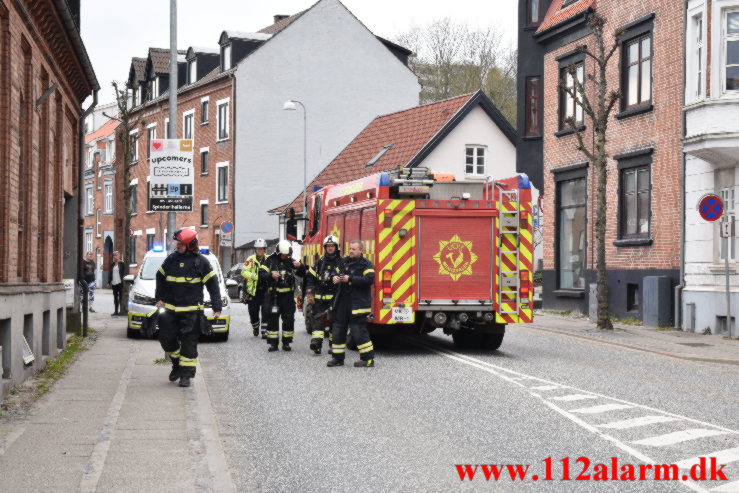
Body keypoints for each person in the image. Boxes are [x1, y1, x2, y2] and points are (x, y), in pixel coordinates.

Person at [155, 229, 222, 387]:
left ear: (190, 245)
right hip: (170, 310)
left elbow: (213, 286)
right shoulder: (171, 259)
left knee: (189, 344)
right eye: (177, 243)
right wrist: (159, 298)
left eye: (181, 244)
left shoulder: (202, 262)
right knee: (166, 338)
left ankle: (186, 375)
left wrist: (217, 307)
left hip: (192, 312)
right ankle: (177, 363)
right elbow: (160, 276)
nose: (178, 246)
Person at [327, 240, 376, 368]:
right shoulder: (344, 262)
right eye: (350, 248)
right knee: (338, 329)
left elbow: (369, 280)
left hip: (358, 303)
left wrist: (350, 279)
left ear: (361, 250)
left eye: (354, 249)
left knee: (358, 331)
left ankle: (368, 359)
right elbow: (334, 271)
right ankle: (337, 358)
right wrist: (334, 278)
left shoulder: (366, 264)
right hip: (343, 301)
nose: (351, 251)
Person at [263, 239, 303, 352]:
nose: (286, 257)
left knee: (289, 320)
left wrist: (300, 266)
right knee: (272, 320)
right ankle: (273, 344)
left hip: (288, 297)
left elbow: (303, 273)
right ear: (279, 253)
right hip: (274, 296)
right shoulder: (270, 261)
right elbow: (261, 274)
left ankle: (286, 342)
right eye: (284, 255)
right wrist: (271, 275)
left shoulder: (291, 261)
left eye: (287, 255)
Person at [305, 235, 341, 354]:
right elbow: (310, 278)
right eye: (328, 246)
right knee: (318, 321)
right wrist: (310, 292)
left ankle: (333, 346)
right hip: (319, 299)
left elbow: (347, 277)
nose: (330, 248)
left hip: (335, 299)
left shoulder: (342, 262)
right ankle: (316, 344)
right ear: (325, 248)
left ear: (336, 247)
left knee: (334, 322)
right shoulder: (319, 262)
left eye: (332, 246)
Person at [241, 238, 270, 337]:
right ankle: (255, 327)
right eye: (258, 249)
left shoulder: (269, 259)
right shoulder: (250, 259)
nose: (260, 251)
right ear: (255, 250)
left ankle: (264, 331)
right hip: (254, 291)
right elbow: (243, 272)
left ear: (264, 249)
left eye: (261, 249)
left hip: (266, 289)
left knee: (266, 310)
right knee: (253, 311)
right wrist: (254, 276)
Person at [108, 251, 126, 316]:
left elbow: (124, 273)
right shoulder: (112, 264)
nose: (114, 257)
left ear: (119, 256)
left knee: (120, 298)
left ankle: (121, 311)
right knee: (115, 298)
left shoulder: (122, 264)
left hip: (120, 283)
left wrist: (124, 280)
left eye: (116, 255)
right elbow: (110, 273)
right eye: (114, 256)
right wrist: (109, 282)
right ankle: (115, 311)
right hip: (114, 282)